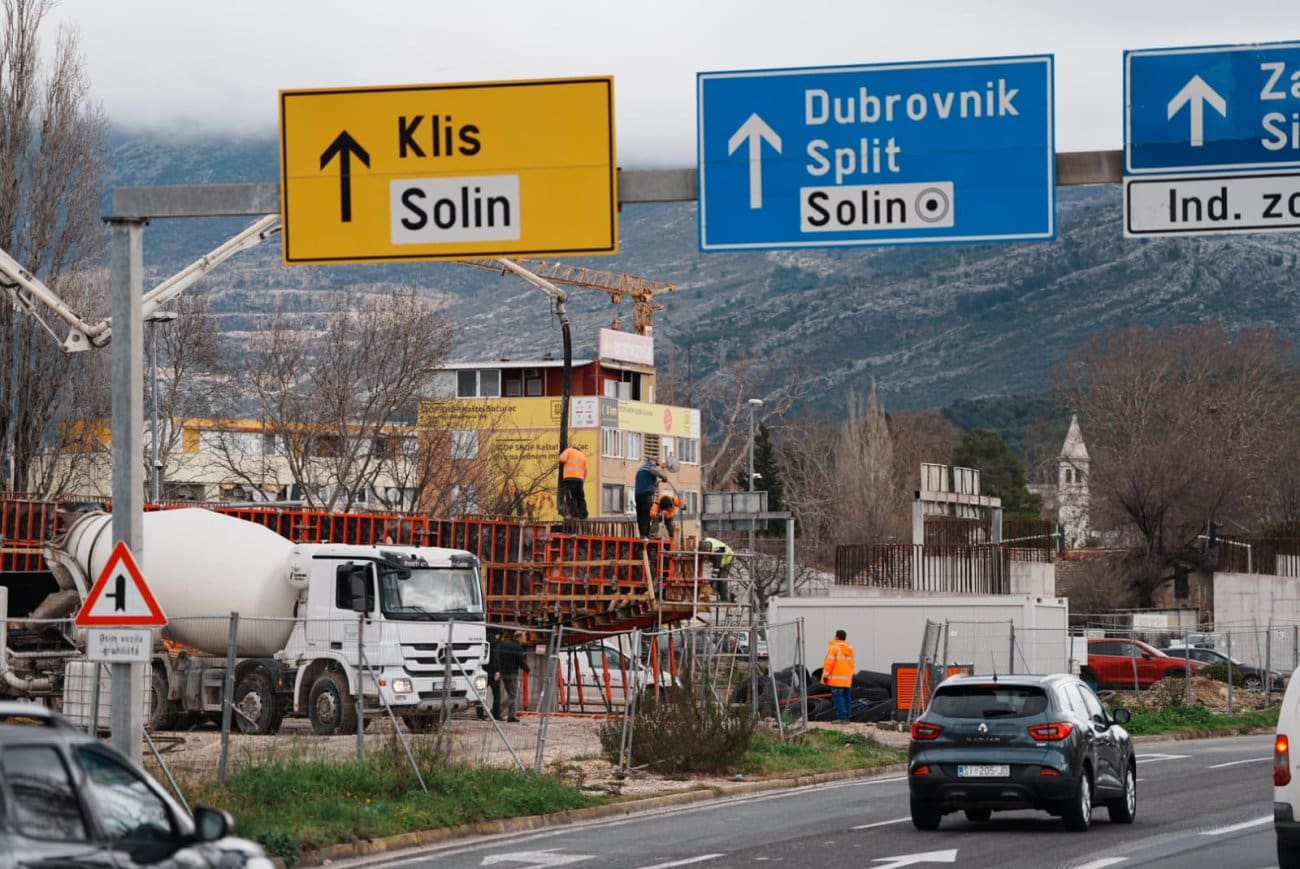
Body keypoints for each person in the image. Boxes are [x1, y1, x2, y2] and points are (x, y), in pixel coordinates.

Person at [822, 629, 856, 722]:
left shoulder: (834, 648)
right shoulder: (850, 649)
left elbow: (829, 664)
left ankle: (842, 718)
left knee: (838, 698)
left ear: (837, 637)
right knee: (846, 698)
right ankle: (847, 717)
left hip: (836, 680)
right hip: (847, 679)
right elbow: (852, 665)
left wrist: (825, 676)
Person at [496, 629, 530, 722]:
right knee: (513, 695)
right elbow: (521, 662)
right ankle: (497, 711)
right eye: (523, 637)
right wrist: (527, 669)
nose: (524, 639)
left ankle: (511, 716)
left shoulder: (503, 644)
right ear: (519, 637)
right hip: (512, 673)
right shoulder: (518, 647)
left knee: (511, 694)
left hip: (502, 672)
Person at [634, 457, 668, 538]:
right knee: (647, 516)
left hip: (637, 495)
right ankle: (647, 537)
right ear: (652, 461)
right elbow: (657, 472)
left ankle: (642, 535)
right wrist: (664, 478)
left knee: (640, 517)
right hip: (646, 495)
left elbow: (646, 482)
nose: (656, 465)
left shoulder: (640, 469)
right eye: (656, 464)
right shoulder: (650, 467)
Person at [557, 443, 588, 519]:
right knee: (581, 498)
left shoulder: (569, 450)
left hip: (569, 479)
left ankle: (575, 515)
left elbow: (562, 459)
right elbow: (586, 471)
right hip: (580, 480)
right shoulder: (583, 456)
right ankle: (584, 514)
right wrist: (582, 480)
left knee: (571, 497)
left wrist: (561, 454)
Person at [699, 537, 735, 601]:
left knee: (721, 579)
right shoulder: (706, 542)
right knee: (718, 579)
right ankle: (722, 596)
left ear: (709, 549)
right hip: (721, 559)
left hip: (727, 560)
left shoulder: (717, 553)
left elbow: (716, 569)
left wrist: (712, 582)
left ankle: (724, 599)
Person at [485, 628, 502, 720]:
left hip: (483, 670)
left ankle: (480, 715)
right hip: (493, 671)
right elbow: (496, 657)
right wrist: (497, 670)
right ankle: (496, 715)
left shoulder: (483, 639)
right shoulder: (495, 642)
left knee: (481, 694)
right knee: (497, 695)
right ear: (497, 634)